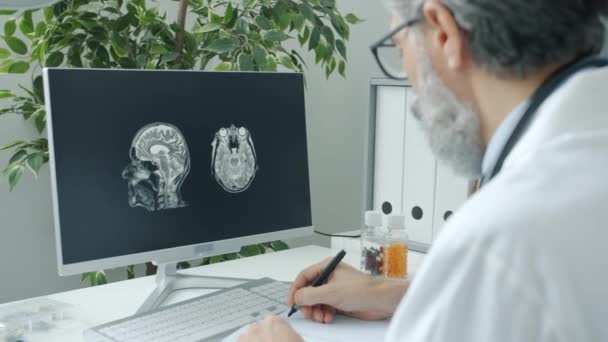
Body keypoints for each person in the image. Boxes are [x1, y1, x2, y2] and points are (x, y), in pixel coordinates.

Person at [239, 0, 608, 341]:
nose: (412, 93)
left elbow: (509, 277)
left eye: (400, 47)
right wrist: (400, 293)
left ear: (443, 32)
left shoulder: (501, 237)